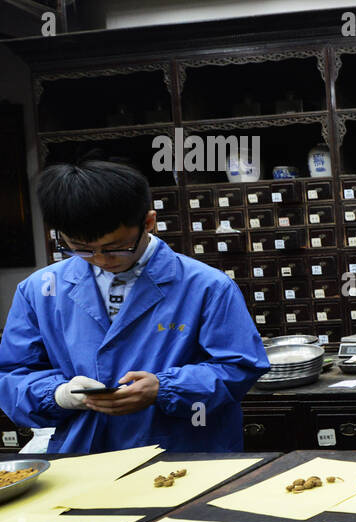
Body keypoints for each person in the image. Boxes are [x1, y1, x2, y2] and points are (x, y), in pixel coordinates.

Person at [0, 159, 269, 453]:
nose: (101, 259)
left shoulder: (206, 286)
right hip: (85, 458)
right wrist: (60, 394)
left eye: (116, 247)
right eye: (81, 249)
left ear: (148, 222)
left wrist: (164, 388)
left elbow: (240, 367)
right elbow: (12, 376)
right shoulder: (39, 291)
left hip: (184, 452)